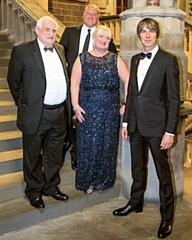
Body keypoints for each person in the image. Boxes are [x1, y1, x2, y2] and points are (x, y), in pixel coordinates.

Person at [112, 18, 180, 239]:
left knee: (163, 174)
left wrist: (170, 131)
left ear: (156, 34)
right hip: (135, 126)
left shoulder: (169, 61)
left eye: (151, 31)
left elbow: (173, 99)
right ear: (139, 35)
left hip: (158, 127)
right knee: (137, 169)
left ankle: (167, 217)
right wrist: (126, 123)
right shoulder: (133, 60)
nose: (147, 35)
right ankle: (135, 203)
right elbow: (132, 94)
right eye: (143, 31)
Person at [7, 16, 71, 209]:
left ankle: (51, 186)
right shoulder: (22, 51)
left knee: (54, 154)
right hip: (36, 113)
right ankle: (34, 190)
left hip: (59, 113)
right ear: (37, 30)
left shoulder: (60, 49)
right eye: (47, 30)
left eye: (54, 30)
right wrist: (27, 104)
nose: (51, 34)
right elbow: (14, 82)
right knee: (33, 155)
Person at [70, 25, 129, 194]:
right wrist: (75, 105)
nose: (104, 40)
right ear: (94, 38)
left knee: (107, 145)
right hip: (87, 110)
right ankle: (88, 181)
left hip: (110, 110)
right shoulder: (82, 58)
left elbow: (128, 79)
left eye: (107, 38)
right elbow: (74, 82)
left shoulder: (115, 59)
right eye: (101, 37)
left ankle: (103, 180)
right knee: (89, 145)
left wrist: (126, 102)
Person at [59, 4, 117, 170]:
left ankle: (77, 155)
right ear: (83, 14)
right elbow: (60, 55)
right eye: (88, 13)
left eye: (95, 13)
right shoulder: (70, 32)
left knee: (85, 122)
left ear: (98, 17)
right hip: (73, 85)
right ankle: (67, 144)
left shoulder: (103, 36)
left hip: (94, 90)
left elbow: (113, 59)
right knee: (68, 118)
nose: (91, 16)